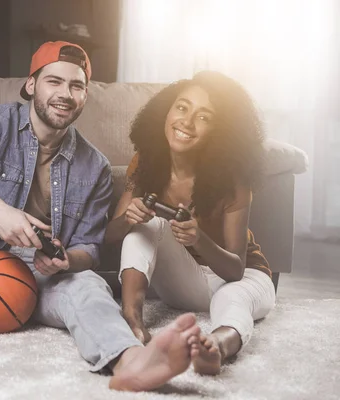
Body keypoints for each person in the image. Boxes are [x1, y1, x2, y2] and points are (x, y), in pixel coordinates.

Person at [0, 41, 201, 392]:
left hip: (35, 275)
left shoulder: (95, 167)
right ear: (32, 85)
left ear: (85, 96)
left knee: (89, 283)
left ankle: (130, 359)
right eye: (54, 82)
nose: (65, 94)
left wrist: (64, 260)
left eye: (76, 86)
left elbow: (88, 249)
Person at [104, 70, 277, 375]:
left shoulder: (234, 179)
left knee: (231, 298)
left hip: (244, 277)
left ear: (220, 131)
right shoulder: (145, 162)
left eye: (204, 117)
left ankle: (217, 347)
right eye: (182, 107)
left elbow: (235, 269)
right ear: (167, 111)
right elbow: (110, 235)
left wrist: (199, 240)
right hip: (188, 282)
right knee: (145, 227)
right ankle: (133, 323)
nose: (186, 121)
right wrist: (129, 217)